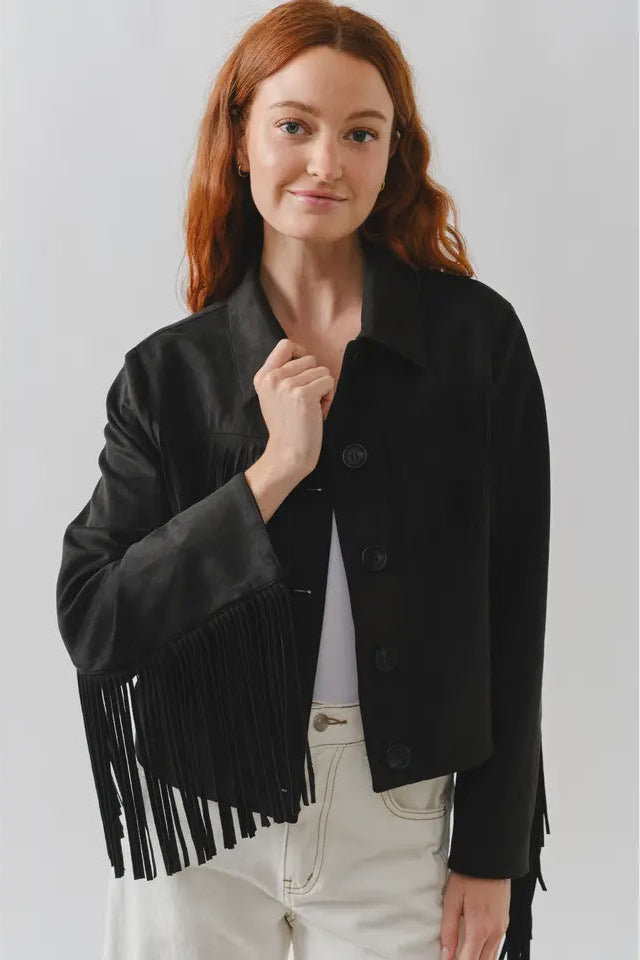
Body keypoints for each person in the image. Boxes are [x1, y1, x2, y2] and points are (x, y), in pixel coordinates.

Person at [55, 2, 551, 959]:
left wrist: (495, 855)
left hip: (401, 814)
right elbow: (97, 620)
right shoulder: (170, 375)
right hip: (200, 817)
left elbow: (513, 606)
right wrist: (273, 474)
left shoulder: (474, 345)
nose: (327, 162)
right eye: (294, 126)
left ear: (391, 155)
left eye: (360, 134)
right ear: (240, 141)